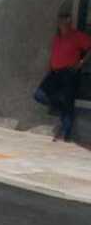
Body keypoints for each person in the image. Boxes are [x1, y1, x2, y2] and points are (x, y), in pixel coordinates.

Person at [34, 13, 91, 142]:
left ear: (69, 20)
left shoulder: (77, 36)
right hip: (54, 73)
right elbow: (54, 55)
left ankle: (65, 136)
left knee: (68, 103)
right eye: (59, 18)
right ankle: (60, 106)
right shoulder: (57, 38)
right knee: (39, 95)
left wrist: (82, 62)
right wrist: (49, 69)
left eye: (63, 18)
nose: (60, 21)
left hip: (69, 73)